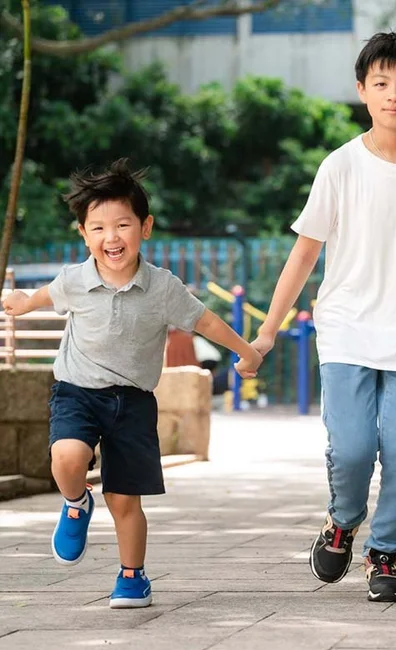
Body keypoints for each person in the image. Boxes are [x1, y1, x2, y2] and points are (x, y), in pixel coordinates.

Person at [245, 32, 396, 603]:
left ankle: (387, 555)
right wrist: (268, 329)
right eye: (381, 84)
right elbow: (305, 252)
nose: (393, 95)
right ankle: (342, 521)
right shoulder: (340, 166)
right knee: (351, 450)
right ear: (362, 91)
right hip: (348, 328)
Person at [1, 159, 261, 608]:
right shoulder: (75, 280)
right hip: (77, 391)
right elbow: (42, 297)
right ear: (83, 233)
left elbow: (206, 321)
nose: (111, 237)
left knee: (125, 500)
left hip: (134, 402)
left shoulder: (163, 288)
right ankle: (76, 502)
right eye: (98, 228)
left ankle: (132, 575)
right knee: (66, 457)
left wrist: (247, 350)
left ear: (146, 227)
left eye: (123, 224)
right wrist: (20, 303)